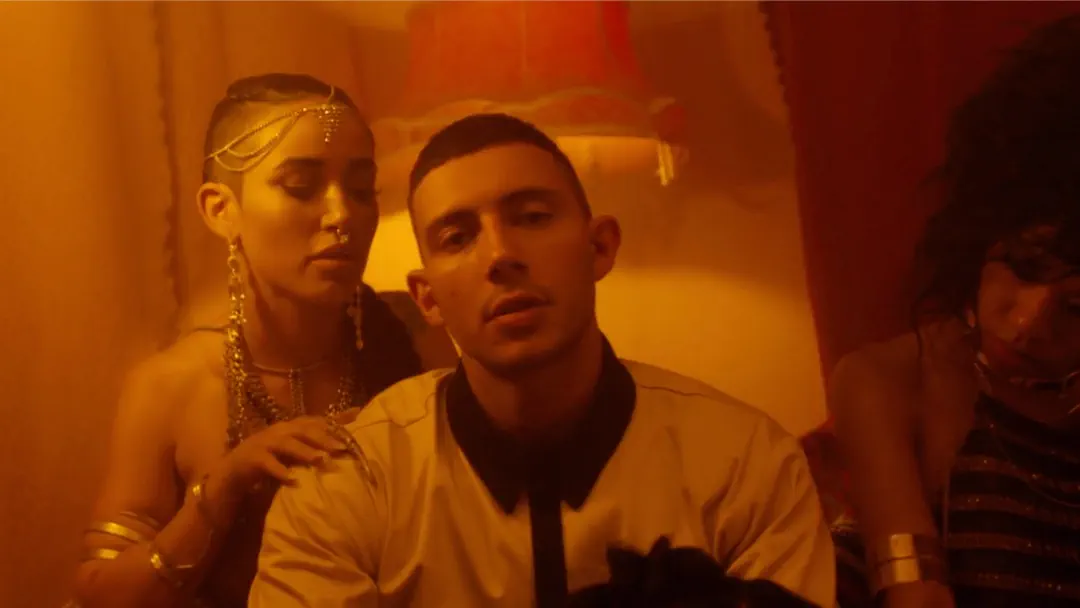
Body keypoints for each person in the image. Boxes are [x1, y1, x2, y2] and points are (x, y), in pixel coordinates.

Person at [248, 113, 836, 608]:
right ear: (427, 298)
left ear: (599, 246)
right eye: (457, 237)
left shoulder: (742, 464)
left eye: (531, 217)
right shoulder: (351, 484)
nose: (500, 255)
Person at [70, 73, 456, 608]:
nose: (342, 215)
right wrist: (222, 488)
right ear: (220, 209)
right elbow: (101, 594)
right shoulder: (173, 386)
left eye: (361, 189)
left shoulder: (411, 344)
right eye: (301, 187)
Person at [824, 14, 1080, 608]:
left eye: (1075, 307)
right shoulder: (894, 381)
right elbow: (916, 599)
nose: (1025, 322)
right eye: (1021, 266)